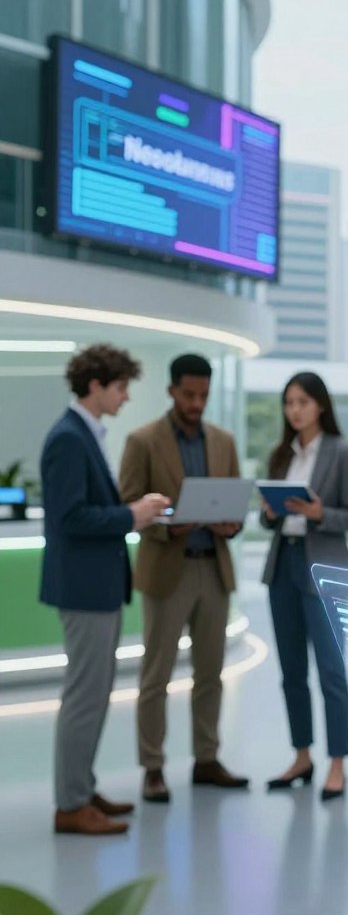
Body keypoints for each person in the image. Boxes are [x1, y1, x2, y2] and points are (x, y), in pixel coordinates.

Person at [40, 344, 169, 835]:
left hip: (96, 585)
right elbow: (70, 518)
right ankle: (71, 804)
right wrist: (131, 515)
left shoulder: (83, 434)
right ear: (94, 386)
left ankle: (80, 788)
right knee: (84, 697)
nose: (125, 396)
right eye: (120, 386)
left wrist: (129, 512)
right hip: (84, 587)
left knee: (92, 694)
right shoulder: (70, 438)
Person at [119, 353, 247, 803]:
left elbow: (233, 497)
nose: (197, 403)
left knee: (210, 673)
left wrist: (233, 523)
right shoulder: (143, 441)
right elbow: (129, 507)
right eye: (189, 394)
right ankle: (152, 767)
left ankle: (206, 758)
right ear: (172, 390)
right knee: (156, 675)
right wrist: (167, 524)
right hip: (167, 568)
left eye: (204, 396)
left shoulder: (223, 441)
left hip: (213, 566)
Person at [261, 372, 348, 801]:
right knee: (291, 672)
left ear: (320, 404)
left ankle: (337, 763)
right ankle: (302, 756)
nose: (295, 410)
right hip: (283, 563)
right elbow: (268, 518)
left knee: (331, 671)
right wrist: (270, 512)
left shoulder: (342, 453)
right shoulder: (281, 455)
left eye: (302, 401)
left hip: (324, 566)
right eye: (289, 403)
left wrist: (321, 512)